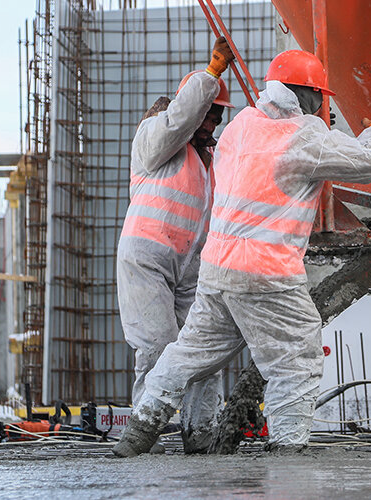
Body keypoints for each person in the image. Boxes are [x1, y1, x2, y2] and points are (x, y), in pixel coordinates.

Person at [112, 49, 371, 457]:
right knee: (296, 359)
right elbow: (369, 162)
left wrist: (313, 130)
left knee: (189, 355)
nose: (212, 121)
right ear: (308, 95)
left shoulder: (238, 129)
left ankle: (137, 435)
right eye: (319, 98)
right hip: (263, 273)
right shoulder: (304, 136)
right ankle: (289, 450)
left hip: (213, 270)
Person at [116, 37, 235, 454]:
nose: (213, 124)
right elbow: (179, 120)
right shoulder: (157, 139)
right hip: (147, 257)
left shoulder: (210, 160)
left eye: (218, 117)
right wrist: (211, 75)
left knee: (203, 349)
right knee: (157, 344)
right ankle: (143, 432)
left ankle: (200, 433)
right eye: (208, 114)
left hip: (189, 266)